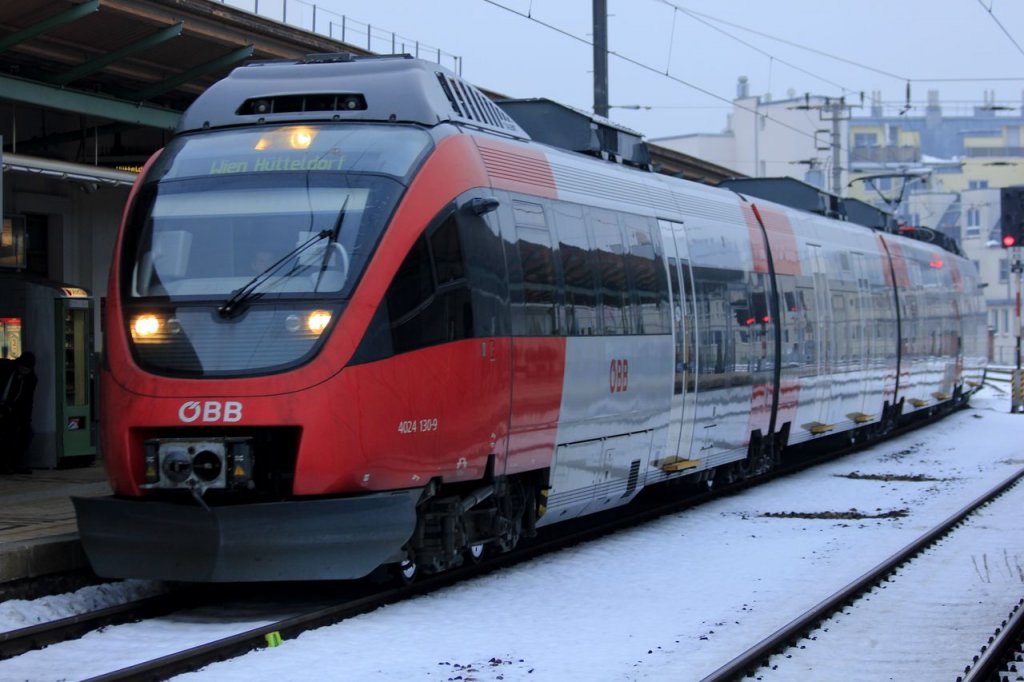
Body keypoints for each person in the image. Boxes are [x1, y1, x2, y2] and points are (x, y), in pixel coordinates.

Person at [0, 352, 37, 474]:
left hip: (12, 408)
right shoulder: (5, 367)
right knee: (8, 433)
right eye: (22, 368)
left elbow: (27, 401)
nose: (24, 371)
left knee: (25, 432)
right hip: (3, 405)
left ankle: (15, 462)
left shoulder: (31, 379)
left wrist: (27, 420)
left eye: (26, 369)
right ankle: (5, 464)